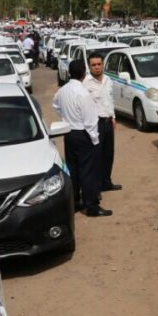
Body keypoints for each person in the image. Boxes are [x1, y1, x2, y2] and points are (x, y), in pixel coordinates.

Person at [53, 59, 110, 217]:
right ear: (84, 73)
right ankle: (91, 205)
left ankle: (76, 201)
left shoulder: (63, 90)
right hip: (83, 134)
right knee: (88, 171)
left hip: (69, 133)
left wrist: (65, 117)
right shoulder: (83, 94)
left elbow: (55, 104)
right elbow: (91, 122)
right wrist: (95, 141)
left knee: (74, 169)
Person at [84, 52, 121, 193]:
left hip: (108, 122)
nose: (97, 67)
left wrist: (113, 117)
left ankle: (106, 182)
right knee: (96, 156)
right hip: (95, 124)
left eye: (99, 64)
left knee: (108, 154)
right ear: (89, 66)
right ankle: (96, 187)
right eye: (93, 65)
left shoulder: (108, 80)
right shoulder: (85, 83)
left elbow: (110, 100)